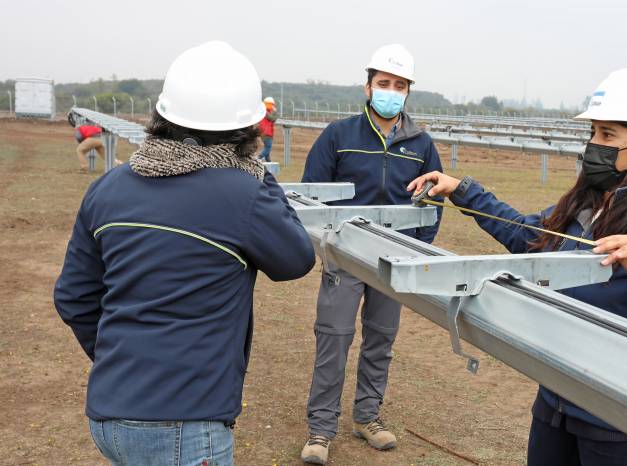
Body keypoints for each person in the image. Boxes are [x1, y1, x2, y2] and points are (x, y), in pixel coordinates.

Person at [408, 67, 627, 466]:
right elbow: (527, 237)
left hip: (618, 419)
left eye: (607, 135)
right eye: (592, 133)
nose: (593, 145)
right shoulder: (580, 208)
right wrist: (464, 192)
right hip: (555, 400)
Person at [54, 41, 315, 466]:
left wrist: (122, 360)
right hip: (185, 424)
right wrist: (260, 179)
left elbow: (73, 297)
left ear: (162, 116)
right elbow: (295, 261)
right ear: (248, 128)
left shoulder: (109, 187)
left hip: (109, 413)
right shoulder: (245, 191)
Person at [299, 43, 444, 464]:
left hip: (393, 259)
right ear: (368, 87)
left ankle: (368, 416)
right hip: (345, 256)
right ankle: (321, 430)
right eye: (384, 83)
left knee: (381, 339)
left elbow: (432, 202)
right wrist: (328, 245)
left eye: (399, 85)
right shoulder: (338, 136)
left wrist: (418, 248)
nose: (391, 91)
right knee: (334, 338)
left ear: (407, 92)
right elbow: (313, 195)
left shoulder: (421, 143)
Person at [258, 97, 278, 161]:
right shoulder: (265, 112)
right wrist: (275, 112)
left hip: (265, 132)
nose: (272, 106)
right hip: (266, 133)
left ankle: (269, 163)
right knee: (268, 148)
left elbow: (273, 119)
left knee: (267, 150)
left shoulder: (265, 111)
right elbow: (272, 119)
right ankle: (257, 159)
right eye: (271, 104)